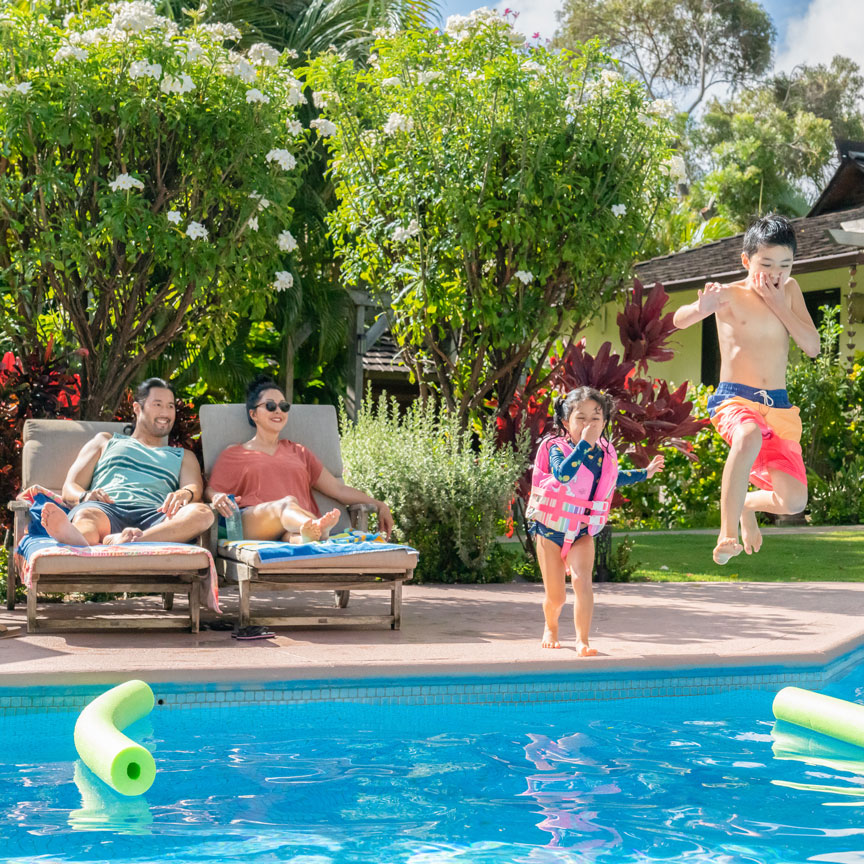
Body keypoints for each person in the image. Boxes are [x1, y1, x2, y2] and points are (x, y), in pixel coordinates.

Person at [672, 214, 820, 565]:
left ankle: (747, 507)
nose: (776, 273)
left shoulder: (791, 292)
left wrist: (779, 305)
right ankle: (726, 534)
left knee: (794, 501)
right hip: (735, 399)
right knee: (749, 434)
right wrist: (700, 307)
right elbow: (679, 320)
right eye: (766, 264)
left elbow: (812, 346)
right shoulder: (728, 294)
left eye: (785, 264)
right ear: (746, 260)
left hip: (779, 408)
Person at [526, 387, 664, 655]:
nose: (589, 424)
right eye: (581, 418)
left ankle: (582, 640)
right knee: (557, 597)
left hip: (582, 531)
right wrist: (583, 446)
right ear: (566, 423)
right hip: (550, 529)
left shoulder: (604, 453)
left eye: (596, 418)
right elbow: (564, 475)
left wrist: (644, 474)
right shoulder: (556, 448)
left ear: (605, 423)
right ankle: (551, 627)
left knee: (582, 581)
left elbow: (612, 478)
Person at [205, 376, 395, 542]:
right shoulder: (236, 453)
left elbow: (337, 489)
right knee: (286, 503)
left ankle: (310, 534)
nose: (278, 411)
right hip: (255, 522)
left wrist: (378, 504)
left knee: (296, 536)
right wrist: (216, 496)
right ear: (253, 414)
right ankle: (318, 527)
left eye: (284, 406)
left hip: (295, 525)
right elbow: (211, 490)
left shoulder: (299, 452)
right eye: (270, 406)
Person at [40, 378, 214, 546]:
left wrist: (184, 494)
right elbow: (70, 486)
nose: (165, 412)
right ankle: (78, 537)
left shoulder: (183, 455)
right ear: (137, 408)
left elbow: (194, 489)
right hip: (107, 508)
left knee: (203, 513)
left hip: (157, 515)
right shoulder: (105, 441)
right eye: (158, 404)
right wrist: (85, 496)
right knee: (87, 517)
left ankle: (132, 541)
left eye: (170, 406)